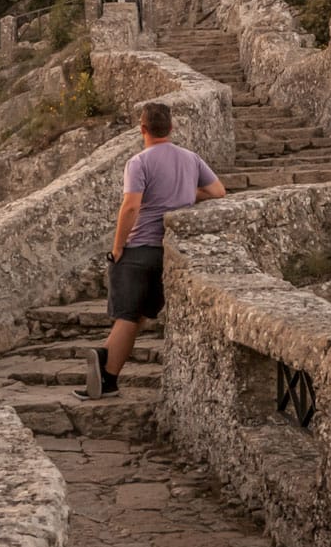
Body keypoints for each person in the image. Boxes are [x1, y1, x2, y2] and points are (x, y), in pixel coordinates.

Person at [79, 100, 224, 400]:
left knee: (127, 315)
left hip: (139, 249)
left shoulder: (139, 162)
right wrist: (183, 194)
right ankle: (108, 376)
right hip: (170, 252)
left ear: (142, 128)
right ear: (171, 128)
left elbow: (131, 206)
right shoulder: (190, 158)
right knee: (139, 316)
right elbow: (217, 191)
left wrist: (118, 248)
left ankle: (103, 358)